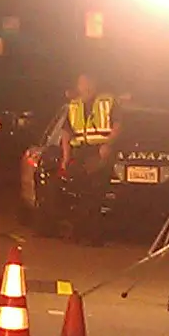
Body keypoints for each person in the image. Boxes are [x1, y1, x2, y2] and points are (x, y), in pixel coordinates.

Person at [53, 73, 122, 245]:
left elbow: (118, 126)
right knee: (79, 195)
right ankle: (78, 233)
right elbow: (66, 132)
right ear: (78, 85)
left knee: (95, 196)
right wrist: (66, 156)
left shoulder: (108, 102)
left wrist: (108, 145)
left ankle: (93, 236)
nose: (86, 86)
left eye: (89, 82)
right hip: (80, 153)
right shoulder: (74, 105)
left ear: (96, 83)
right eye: (82, 83)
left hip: (99, 152)